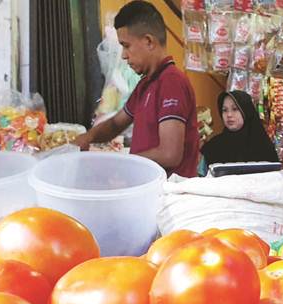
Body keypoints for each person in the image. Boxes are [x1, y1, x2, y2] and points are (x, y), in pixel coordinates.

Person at [73, 1, 200, 177]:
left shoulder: (172, 82)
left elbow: (170, 154)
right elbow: (115, 124)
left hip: (170, 194)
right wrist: (87, 137)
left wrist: (123, 164)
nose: (124, 55)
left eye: (126, 45)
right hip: (147, 189)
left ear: (148, 41)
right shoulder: (146, 84)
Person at [201, 91, 279, 167]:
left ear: (246, 111)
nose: (229, 115)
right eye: (224, 110)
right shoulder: (213, 147)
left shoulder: (262, 147)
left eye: (235, 109)